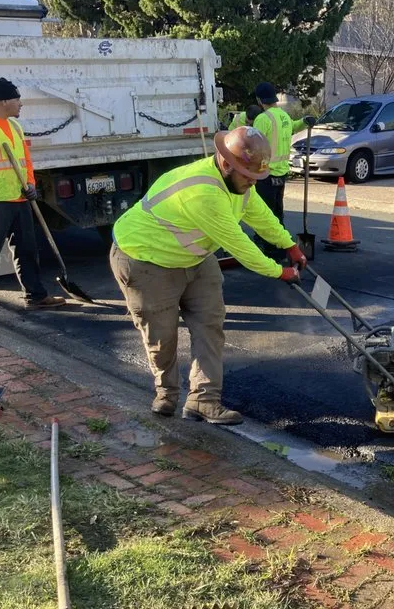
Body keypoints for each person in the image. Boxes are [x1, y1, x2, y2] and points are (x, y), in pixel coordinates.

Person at [109, 126, 307, 425]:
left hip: (195, 258)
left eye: (257, 177)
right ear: (226, 163)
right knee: (162, 337)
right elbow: (241, 246)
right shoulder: (203, 192)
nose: (253, 184)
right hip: (146, 259)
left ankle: (204, 401)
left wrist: (289, 244)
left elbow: (259, 214)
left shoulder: (239, 184)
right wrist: (280, 272)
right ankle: (167, 393)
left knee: (209, 325)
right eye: (248, 176)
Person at [0, 78, 66, 316]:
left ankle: (35, 297)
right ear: (4, 101)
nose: (21, 104)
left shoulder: (16, 127)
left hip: (19, 198)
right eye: (17, 99)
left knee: (28, 250)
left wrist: (30, 184)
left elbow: (25, 161)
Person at [251, 82, 315, 239]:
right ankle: (281, 242)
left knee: (264, 213)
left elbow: (254, 145)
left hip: (265, 173)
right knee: (277, 210)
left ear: (259, 100)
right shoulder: (283, 116)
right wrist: (305, 122)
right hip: (281, 173)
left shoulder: (262, 119)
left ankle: (270, 247)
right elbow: (293, 127)